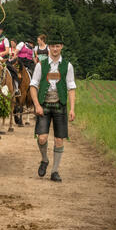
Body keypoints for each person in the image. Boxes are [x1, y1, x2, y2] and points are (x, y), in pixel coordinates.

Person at [29, 32, 76, 182]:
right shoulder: (41, 64)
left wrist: (72, 108)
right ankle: (44, 159)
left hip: (59, 104)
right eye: (52, 46)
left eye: (57, 46)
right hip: (44, 104)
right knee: (42, 138)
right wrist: (37, 105)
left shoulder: (67, 65)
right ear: (48, 47)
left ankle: (55, 171)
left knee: (59, 140)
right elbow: (33, 86)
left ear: (61, 47)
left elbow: (71, 87)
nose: (55, 49)